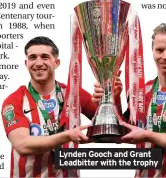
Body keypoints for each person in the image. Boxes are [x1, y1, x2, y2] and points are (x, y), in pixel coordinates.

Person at [92, 22, 166, 177]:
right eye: (159, 50)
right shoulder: (141, 91)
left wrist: (147, 135)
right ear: (152, 51)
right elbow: (123, 133)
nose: (165, 56)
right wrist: (113, 99)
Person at [1, 36, 97, 178]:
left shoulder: (75, 94)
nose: (38, 63)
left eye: (45, 57)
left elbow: (112, 127)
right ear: (26, 63)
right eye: (32, 57)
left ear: (56, 62)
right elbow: (22, 145)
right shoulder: (14, 100)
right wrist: (67, 136)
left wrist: (111, 98)